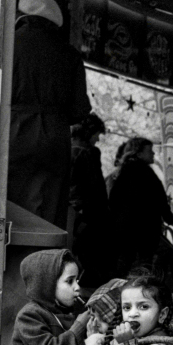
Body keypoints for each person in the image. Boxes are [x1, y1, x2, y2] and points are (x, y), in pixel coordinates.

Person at [8, 0, 92, 230]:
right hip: (54, 138)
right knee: (48, 213)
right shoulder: (71, 55)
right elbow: (79, 110)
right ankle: (41, 263)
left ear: (21, 16)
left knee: (7, 204)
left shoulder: (6, 46)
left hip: (12, 133)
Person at [108, 138, 173, 279]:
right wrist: (169, 218)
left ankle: (117, 290)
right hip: (146, 229)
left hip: (124, 229)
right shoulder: (146, 173)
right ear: (139, 154)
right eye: (150, 151)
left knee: (124, 262)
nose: (153, 154)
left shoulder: (122, 173)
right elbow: (160, 198)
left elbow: (113, 200)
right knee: (147, 262)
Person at [70, 113, 112, 287]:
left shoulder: (67, 150)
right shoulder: (88, 154)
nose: (97, 139)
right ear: (88, 132)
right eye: (96, 134)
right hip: (90, 215)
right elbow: (95, 189)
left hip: (75, 213)